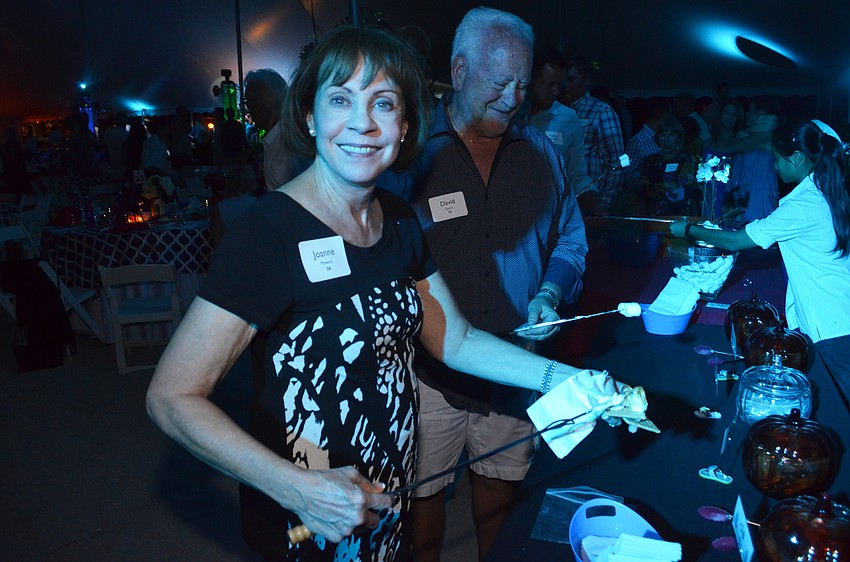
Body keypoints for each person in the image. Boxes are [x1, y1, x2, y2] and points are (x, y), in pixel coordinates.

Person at [146, 25, 621, 562]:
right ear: (309, 115)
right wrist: (293, 488)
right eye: (341, 99)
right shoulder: (267, 233)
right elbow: (171, 396)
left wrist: (570, 380)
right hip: (309, 513)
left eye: (384, 103)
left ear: (406, 124)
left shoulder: (396, 219)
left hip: (386, 494)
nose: (363, 124)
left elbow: (456, 341)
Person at [378, 8, 587, 561]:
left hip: (512, 372)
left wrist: (549, 292)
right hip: (426, 376)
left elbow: (571, 239)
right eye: (500, 83)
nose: (515, 97)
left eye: (523, 84)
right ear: (460, 68)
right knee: (420, 520)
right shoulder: (407, 157)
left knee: (500, 517)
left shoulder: (543, 154)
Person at [670, 119, 850, 410]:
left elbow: (736, 242)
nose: (775, 167)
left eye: (777, 159)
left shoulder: (803, 205)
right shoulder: (827, 190)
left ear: (797, 158)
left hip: (834, 327)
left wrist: (687, 230)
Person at [523, 43, 593, 210]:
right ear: (530, 80)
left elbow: (578, 175)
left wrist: (592, 199)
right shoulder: (507, 113)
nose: (555, 91)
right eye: (549, 85)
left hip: (550, 217)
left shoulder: (568, 118)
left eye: (559, 85)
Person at [560, 55, 623, 213]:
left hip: (587, 204)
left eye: (571, 79)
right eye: (563, 80)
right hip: (559, 205)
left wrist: (600, 203)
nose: (565, 85)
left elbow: (617, 163)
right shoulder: (554, 112)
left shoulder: (602, 112)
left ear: (586, 80)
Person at [619, 114, 699, 218]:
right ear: (657, 137)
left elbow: (686, 185)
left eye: (671, 135)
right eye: (663, 134)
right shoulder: (650, 160)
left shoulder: (687, 159)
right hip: (652, 214)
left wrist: (658, 187)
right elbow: (640, 186)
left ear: (678, 137)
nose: (666, 139)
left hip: (679, 214)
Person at [245, 68, 298, 191]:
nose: (248, 109)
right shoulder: (277, 139)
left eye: (248, 102)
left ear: (263, 105)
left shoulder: (285, 146)